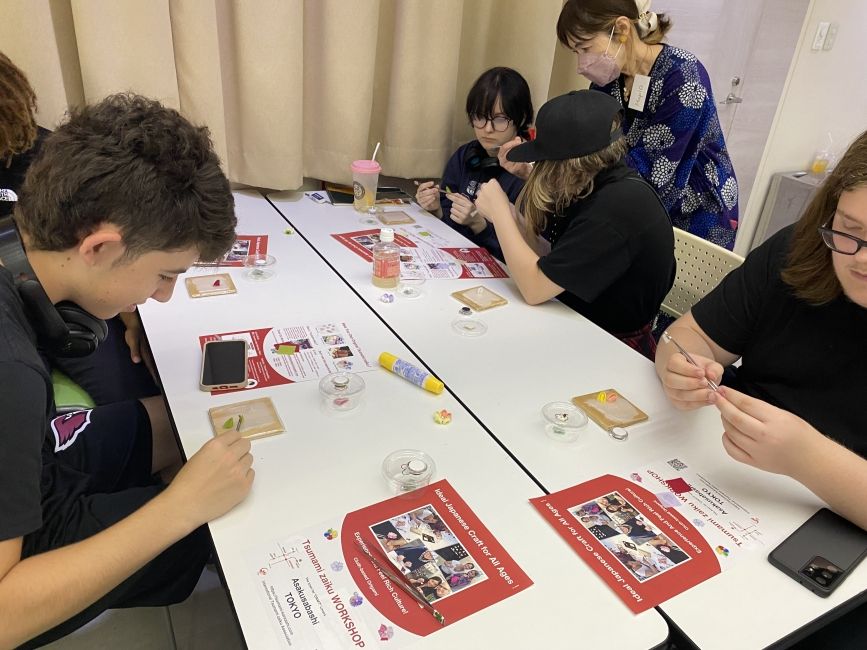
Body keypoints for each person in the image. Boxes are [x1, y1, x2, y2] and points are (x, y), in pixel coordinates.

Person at [0, 93, 254, 649]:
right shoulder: (10, 374)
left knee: (185, 422)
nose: (161, 297)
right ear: (99, 247)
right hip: (18, 573)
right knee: (215, 522)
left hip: (42, 460)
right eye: (164, 275)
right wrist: (180, 508)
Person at [654, 130, 867, 648]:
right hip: (726, 483)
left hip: (831, 544)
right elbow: (690, 336)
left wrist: (805, 457)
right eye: (850, 230)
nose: (862, 260)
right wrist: (680, 366)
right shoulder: (798, 250)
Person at [502, 1, 739, 250]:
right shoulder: (607, 83)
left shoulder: (684, 77)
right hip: (627, 196)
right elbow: (588, 150)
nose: (582, 64)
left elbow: (650, 174)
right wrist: (537, 166)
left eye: (585, 48)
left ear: (622, 29)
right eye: (576, 52)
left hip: (694, 211)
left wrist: (554, 178)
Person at [0, 50, 158, 404]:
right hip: (12, 323)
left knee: (139, 393)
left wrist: (131, 315)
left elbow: (110, 240)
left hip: (64, 308)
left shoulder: (44, 153)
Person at [474, 89, 675, 360]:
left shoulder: (615, 208)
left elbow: (535, 287)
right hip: (575, 317)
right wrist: (512, 212)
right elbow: (549, 256)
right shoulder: (599, 183)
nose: (540, 170)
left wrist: (499, 212)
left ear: (567, 166)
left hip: (609, 347)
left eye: (544, 163)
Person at [415, 67, 534, 260]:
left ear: (520, 119)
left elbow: (529, 253)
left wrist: (480, 225)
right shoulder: (466, 155)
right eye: (479, 117)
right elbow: (447, 213)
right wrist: (436, 208)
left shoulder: (528, 170)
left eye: (500, 119)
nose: (487, 129)